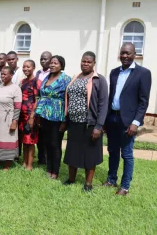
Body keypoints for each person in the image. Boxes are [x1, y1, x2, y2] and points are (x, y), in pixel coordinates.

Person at [103, 43, 152, 196]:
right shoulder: (114, 72)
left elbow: (144, 101)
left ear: (135, 54)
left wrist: (136, 123)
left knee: (127, 154)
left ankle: (125, 186)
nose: (124, 56)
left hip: (128, 122)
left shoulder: (143, 73)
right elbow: (112, 97)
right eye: (122, 53)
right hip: (112, 118)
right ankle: (111, 180)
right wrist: (105, 120)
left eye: (128, 53)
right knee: (112, 151)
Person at [63, 51, 108, 192]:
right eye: (83, 61)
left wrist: (98, 126)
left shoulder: (99, 80)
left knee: (90, 154)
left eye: (88, 62)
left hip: (90, 124)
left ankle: (88, 184)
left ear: (94, 63)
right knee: (72, 151)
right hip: (74, 122)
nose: (85, 64)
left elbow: (103, 104)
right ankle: (71, 179)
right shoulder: (75, 77)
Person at [35, 55, 71, 179]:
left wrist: (65, 120)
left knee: (55, 144)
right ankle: (48, 167)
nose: (52, 65)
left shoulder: (66, 79)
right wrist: (38, 115)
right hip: (44, 115)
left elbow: (68, 100)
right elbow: (41, 96)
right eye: (51, 63)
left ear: (61, 65)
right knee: (47, 143)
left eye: (55, 63)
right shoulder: (46, 77)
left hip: (58, 116)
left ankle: (55, 171)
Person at [0, 66, 22, 170]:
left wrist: (14, 121)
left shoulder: (16, 88)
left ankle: (7, 164)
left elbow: (18, 107)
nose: (3, 76)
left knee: (8, 140)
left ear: (11, 75)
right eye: (2, 74)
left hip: (8, 118)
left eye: (5, 74)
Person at [19, 60, 39, 170]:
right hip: (22, 115)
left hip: (30, 115)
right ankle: (24, 162)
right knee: (24, 140)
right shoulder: (23, 81)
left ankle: (30, 165)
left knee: (30, 141)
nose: (25, 69)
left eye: (28, 67)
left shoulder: (36, 81)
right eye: (24, 66)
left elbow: (37, 99)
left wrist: (32, 117)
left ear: (33, 67)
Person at [36, 51, 52, 165]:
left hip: (49, 107)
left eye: (45, 59)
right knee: (39, 133)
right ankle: (41, 157)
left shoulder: (53, 73)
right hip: (39, 105)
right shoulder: (38, 73)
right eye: (41, 59)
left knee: (48, 134)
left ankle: (47, 157)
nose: (43, 61)